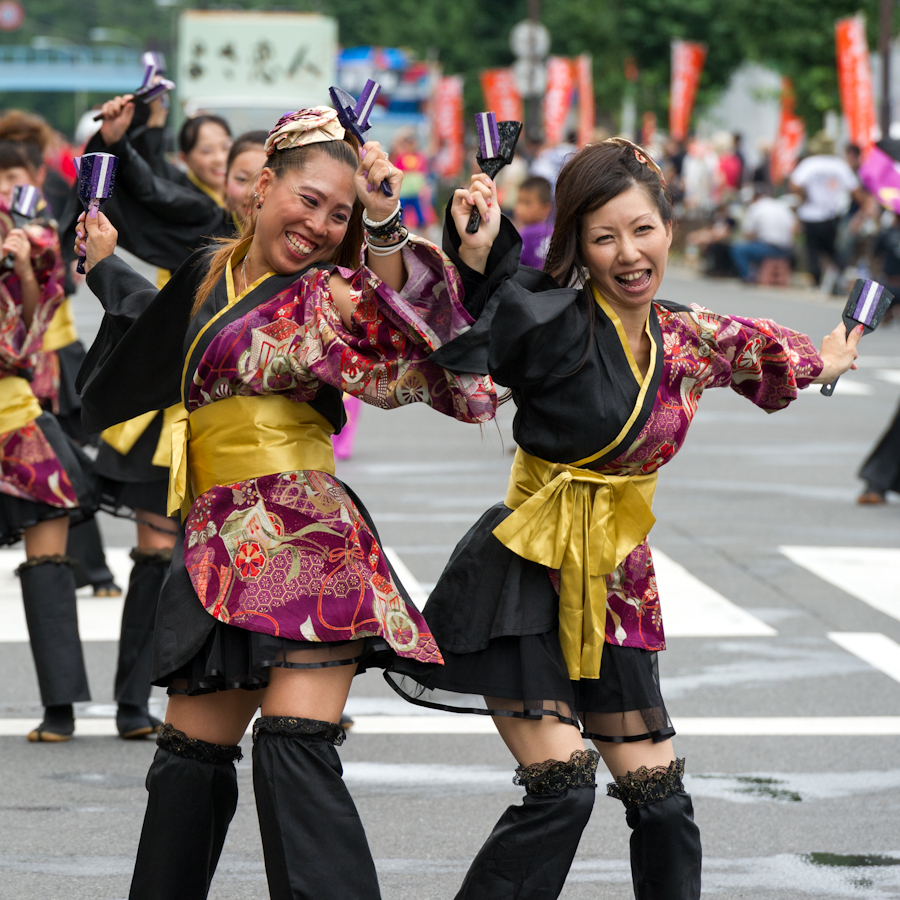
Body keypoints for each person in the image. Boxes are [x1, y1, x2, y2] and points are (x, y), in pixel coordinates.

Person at [387, 137, 861, 900]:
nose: (629, 254)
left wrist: (831, 358)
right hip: (527, 574)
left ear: (669, 227)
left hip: (615, 581)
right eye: (604, 238)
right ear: (578, 245)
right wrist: (475, 253)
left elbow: (768, 352)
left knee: (663, 806)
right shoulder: (555, 321)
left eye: (642, 230)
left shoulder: (687, 336)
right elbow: (494, 306)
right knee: (564, 791)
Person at [75, 106, 496, 899]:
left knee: (293, 751)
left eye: (338, 213)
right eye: (308, 200)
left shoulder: (333, 296)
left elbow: (422, 352)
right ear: (263, 186)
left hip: (306, 540)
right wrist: (104, 264)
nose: (318, 224)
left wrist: (384, 229)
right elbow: (157, 326)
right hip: (220, 541)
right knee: (184, 773)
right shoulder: (208, 274)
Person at [74, 95, 269, 740]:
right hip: (169, 422)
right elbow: (144, 195)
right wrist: (124, 142)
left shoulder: (308, 269)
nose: (243, 186)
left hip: (258, 448)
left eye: (254, 172)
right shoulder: (203, 231)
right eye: (237, 174)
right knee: (155, 558)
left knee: (251, 564)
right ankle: (133, 701)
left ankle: (282, 690)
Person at [0, 138, 98, 743]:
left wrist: (22, 267)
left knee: (49, 569)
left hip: (18, 424)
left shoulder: (37, 245)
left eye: (16, 175)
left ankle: (60, 708)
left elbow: (26, 343)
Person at [0, 110, 120, 596]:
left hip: (46, 357)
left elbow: (56, 284)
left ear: (36, 178)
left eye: (12, 176)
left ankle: (93, 572)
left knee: (65, 468)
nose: (5, 185)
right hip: (21, 367)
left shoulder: (40, 225)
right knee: (63, 469)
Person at [790, 132, 866, 287]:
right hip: (831, 214)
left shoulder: (809, 163)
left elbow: (794, 185)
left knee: (812, 249)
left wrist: (804, 197)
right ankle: (843, 278)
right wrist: (864, 206)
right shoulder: (839, 165)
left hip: (810, 213)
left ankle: (816, 280)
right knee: (832, 249)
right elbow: (855, 190)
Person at [729, 184, 797, 282]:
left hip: (768, 248)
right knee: (755, 246)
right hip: (787, 250)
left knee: (738, 249)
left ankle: (748, 276)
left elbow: (748, 233)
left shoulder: (756, 207)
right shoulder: (782, 206)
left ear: (755, 197)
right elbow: (795, 228)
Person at [513, 175, 553, 270]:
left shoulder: (526, 234)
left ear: (546, 208)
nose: (520, 208)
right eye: (519, 201)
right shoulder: (554, 231)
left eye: (527, 203)